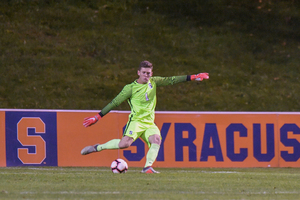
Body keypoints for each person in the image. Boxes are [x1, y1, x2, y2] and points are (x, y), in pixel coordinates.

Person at [81, 60, 209, 173]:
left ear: (151, 73)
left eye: (148, 73)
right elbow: (114, 102)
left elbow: (172, 80)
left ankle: (147, 167)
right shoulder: (130, 88)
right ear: (138, 72)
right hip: (136, 122)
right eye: (144, 72)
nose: (146, 75)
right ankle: (98, 147)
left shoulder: (154, 82)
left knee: (156, 140)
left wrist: (193, 77)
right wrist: (97, 117)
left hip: (149, 123)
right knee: (124, 144)